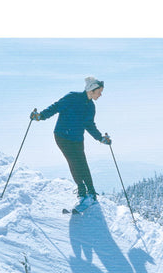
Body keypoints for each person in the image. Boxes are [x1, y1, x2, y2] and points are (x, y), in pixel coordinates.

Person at [30, 77, 111, 209]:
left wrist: (100, 138)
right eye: (99, 92)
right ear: (91, 90)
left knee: (82, 162)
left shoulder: (91, 107)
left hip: (77, 138)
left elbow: (90, 125)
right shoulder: (72, 97)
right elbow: (55, 107)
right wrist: (40, 116)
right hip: (62, 136)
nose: (100, 95)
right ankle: (81, 190)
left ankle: (91, 191)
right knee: (74, 161)